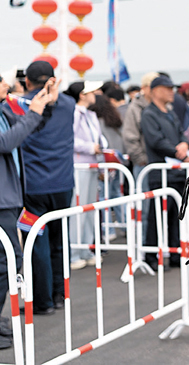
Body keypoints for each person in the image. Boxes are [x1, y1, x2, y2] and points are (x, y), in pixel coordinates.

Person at [0, 64, 57, 350]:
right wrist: (35, 112)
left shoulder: (0, 112)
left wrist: (44, 105)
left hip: (6, 199)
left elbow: (28, 126)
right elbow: (5, 143)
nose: (5, 83)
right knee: (3, 261)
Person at [17, 61, 75, 314]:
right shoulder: (69, 104)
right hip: (63, 184)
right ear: (53, 80)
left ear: (27, 81)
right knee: (59, 241)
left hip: (33, 187)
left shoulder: (20, 105)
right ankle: (60, 294)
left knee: (35, 242)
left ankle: (43, 301)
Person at [140, 75, 189, 269]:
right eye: (167, 88)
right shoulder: (149, 114)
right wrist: (179, 152)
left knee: (175, 217)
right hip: (160, 174)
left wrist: (184, 145)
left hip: (176, 173)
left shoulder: (169, 112)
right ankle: (152, 257)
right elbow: (155, 141)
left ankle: (175, 254)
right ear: (154, 91)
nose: (172, 91)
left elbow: (182, 133)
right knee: (156, 218)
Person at [67, 81, 104, 269]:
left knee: (89, 208)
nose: (95, 94)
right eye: (91, 91)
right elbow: (70, 139)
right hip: (79, 165)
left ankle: (86, 248)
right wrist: (91, 147)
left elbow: (98, 137)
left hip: (92, 165)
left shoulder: (91, 115)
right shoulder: (74, 113)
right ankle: (74, 252)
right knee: (78, 209)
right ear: (82, 94)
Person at [91, 95, 125, 238]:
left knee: (104, 197)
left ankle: (108, 231)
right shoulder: (115, 119)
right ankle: (124, 226)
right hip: (118, 161)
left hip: (105, 163)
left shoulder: (96, 122)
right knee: (116, 194)